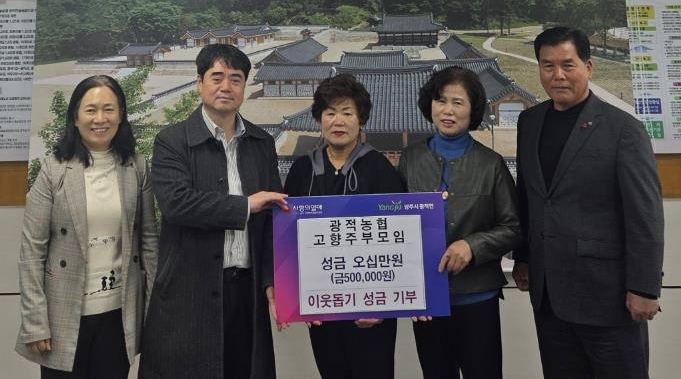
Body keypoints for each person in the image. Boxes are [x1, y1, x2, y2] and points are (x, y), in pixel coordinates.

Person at [512, 27, 665, 379]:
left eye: (568, 64)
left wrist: (644, 287)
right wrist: (524, 255)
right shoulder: (529, 122)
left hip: (607, 295)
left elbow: (645, 215)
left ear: (588, 67)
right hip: (549, 294)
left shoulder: (623, 129)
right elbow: (529, 195)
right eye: (548, 65)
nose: (558, 75)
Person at [138, 44, 288, 379]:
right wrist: (246, 205)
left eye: (235, 79)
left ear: (244, 86)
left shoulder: (261, 143)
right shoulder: (172, 140)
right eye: (216, 77)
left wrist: (271, 281)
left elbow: (271, 222)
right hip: (189, 291)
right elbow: (177, 204)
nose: (226, 87)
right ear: (199, 83)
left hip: (246, 291)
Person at [16, 75, 158, 378]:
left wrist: (154, 312)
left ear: (121, 115)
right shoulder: (54, 169)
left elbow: (149, 242)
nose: (100, 119)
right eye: (91, 110)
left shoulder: (136, 166)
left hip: (118, 313)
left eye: (109, 109)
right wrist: (35, 322)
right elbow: (31, 252)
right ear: (75, 117)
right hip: (63, 314)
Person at [398, 66, 521, 379]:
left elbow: (513, 227)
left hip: (478, 297)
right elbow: (395, 224)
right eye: (441, 100)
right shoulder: (410, 158)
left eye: (458, 102)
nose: (447, 110)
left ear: (473, 109)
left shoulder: (491, 164)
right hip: (428, 299)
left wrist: (472, 246)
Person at [284, 73, 404, 379]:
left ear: (361, 120)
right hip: (322, 310)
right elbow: (286, 239)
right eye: (330, 113)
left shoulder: (380, 170)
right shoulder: (302, 171)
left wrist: (381, 306)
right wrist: (296, 299)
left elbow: (400, 244)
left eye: (347, 113)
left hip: (371, 313)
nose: (338, 121)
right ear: (318, 119)